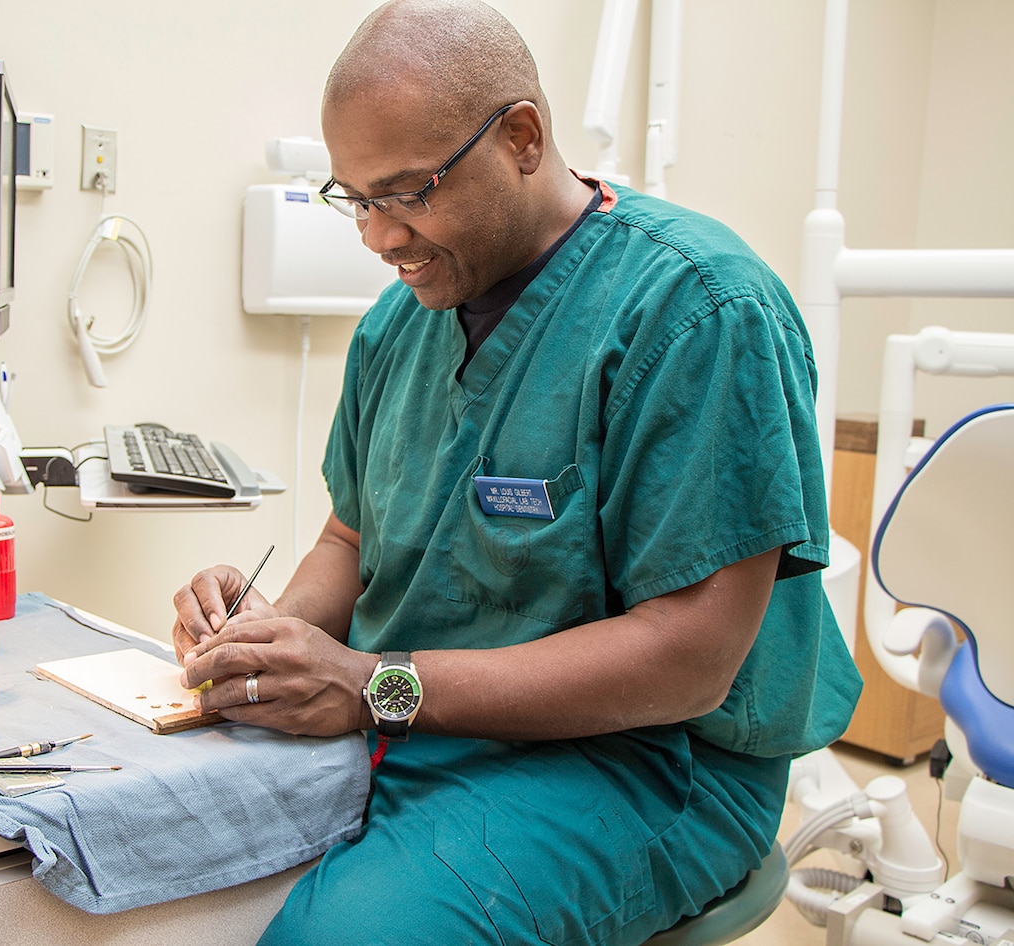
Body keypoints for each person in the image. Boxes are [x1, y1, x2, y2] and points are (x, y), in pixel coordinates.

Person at [173, 1, 862, 942]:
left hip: (646, 762)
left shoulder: (699, 313)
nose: (379, 238)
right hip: (422, 725)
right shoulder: (396, 326)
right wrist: (270, 638)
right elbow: (352, 537)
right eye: (355, 199)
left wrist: (374, 687)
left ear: (523, 139)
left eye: (408, 192)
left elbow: (688, 660)